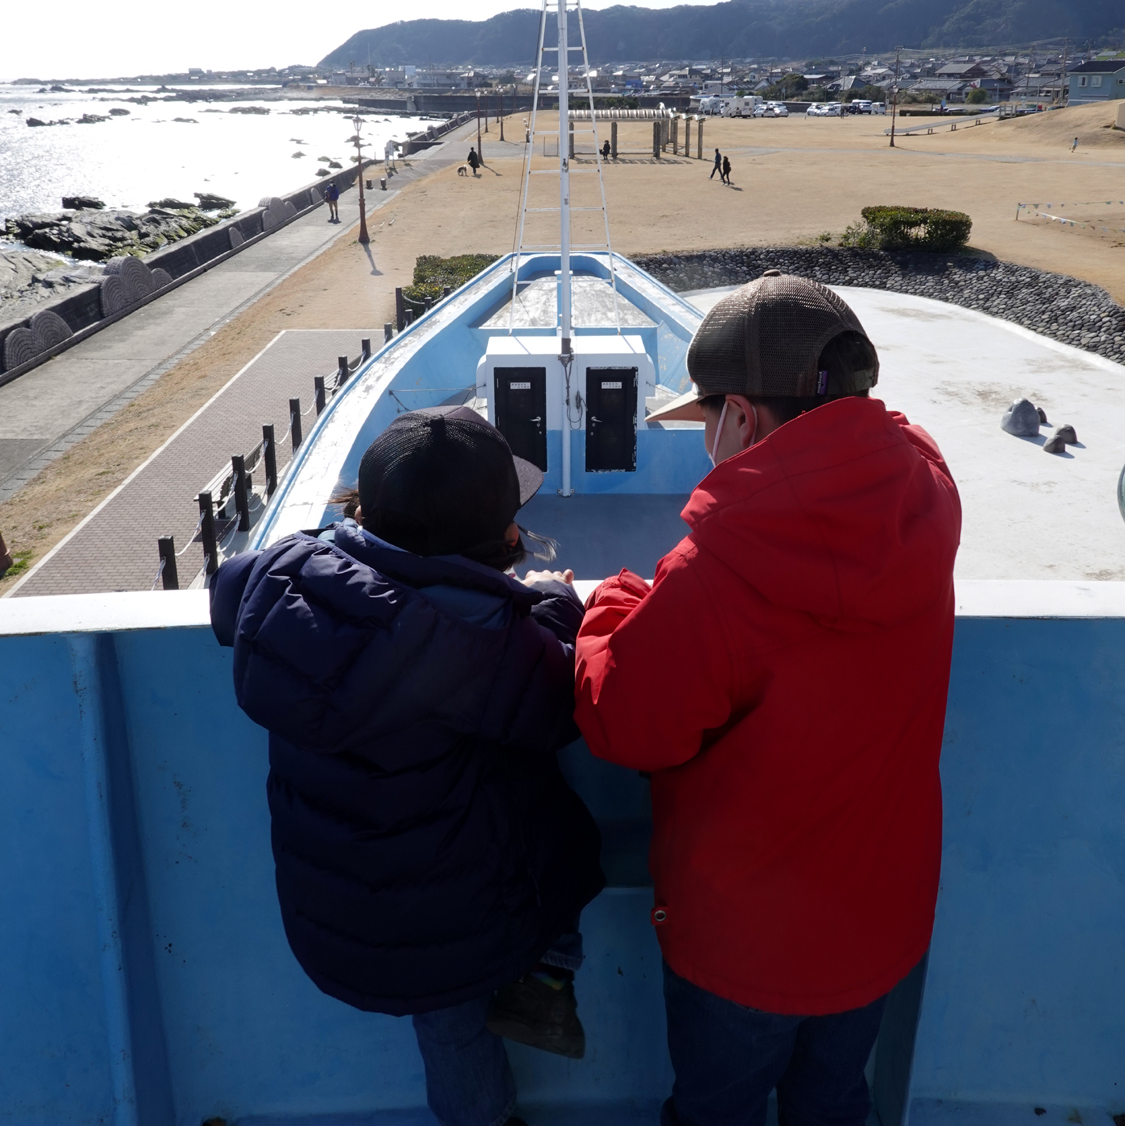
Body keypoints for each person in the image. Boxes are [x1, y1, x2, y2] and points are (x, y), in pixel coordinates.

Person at [574, 272, 961, 1126]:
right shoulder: (926, 488)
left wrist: (606, 605)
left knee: (719, 1109)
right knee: (832, 1103)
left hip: (748, 940)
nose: (705, 442)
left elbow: (628, 724)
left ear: (741, 418)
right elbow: (879, 427)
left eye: (708, 421)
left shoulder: (717, 573)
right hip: (879, 914)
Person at [210, 407, 604, 1126]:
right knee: (570, 838)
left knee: (444, 1026)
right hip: (447, 932)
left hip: (336, 923)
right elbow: (556, 710)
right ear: (502, 536)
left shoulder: (282, 575)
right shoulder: (475, 646)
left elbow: (230, 595)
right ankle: (547, 979)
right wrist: (552, 604)